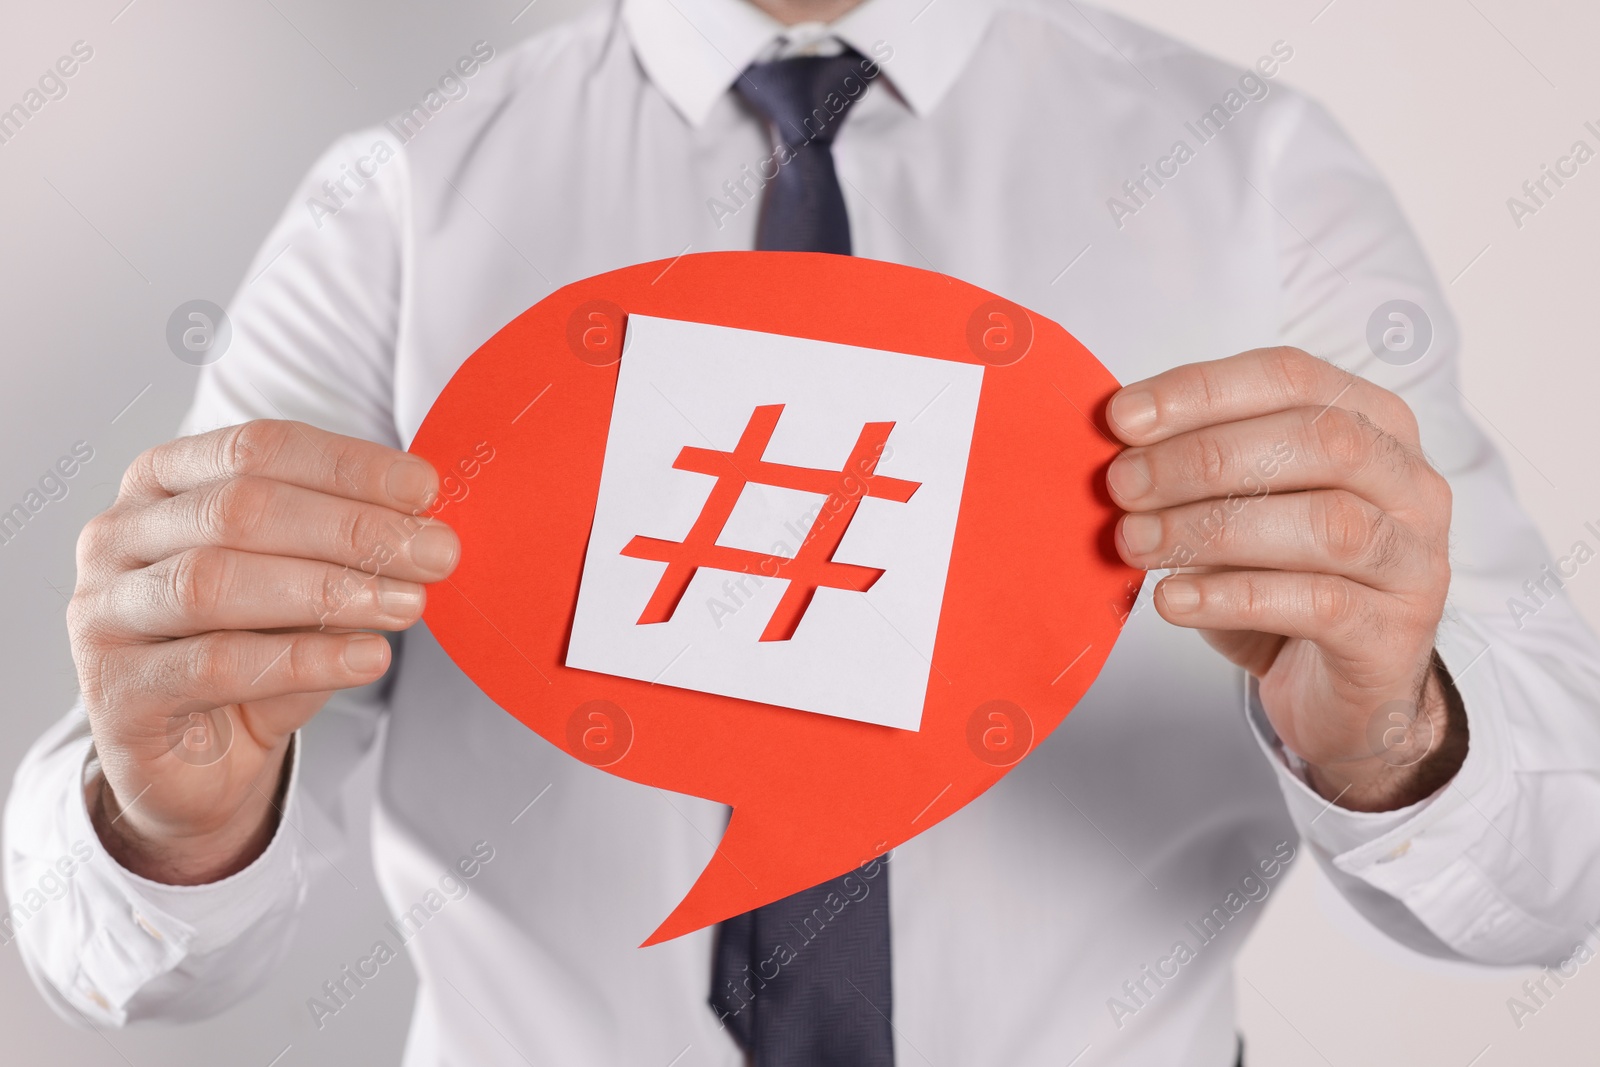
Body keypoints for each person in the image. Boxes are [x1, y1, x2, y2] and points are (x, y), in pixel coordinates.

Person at [8, 0, 1600, 1062]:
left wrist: (1400, 732)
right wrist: (163, 812)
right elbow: (127, 960)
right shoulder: (401, 205)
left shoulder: (1258, 174)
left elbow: (1551, 874)